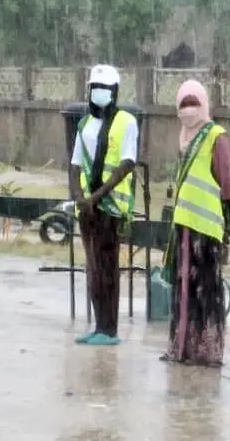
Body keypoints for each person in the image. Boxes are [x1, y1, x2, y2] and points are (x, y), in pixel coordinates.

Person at [159, 79, 230, 366]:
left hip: (207, 230)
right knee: (183, 290)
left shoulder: (217, 136)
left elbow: (227, 185)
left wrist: (227, 229)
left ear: (204, 105)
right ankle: (182, 348)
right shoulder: (183, 138)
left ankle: (207, 352)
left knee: (207, 291)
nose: (188, 110)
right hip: (184, 228)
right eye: (183, 104)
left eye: (194, 104)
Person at [70, 64, 139, 346]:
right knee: (93, 267)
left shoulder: (127, 122)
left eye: (104, 89)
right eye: (94, 88)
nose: (98, 93)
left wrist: (96, 197)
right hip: (87, 209)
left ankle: (110, 329)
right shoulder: (84, 124)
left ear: (114, 92)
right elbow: (74, 164)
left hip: (110, 207)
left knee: (108, 268)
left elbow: (127, 164)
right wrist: (78, 196)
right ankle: (98, 325)